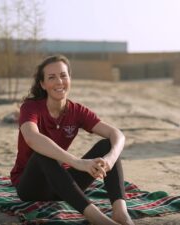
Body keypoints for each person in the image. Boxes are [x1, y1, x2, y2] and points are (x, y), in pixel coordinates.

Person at [10, 55, 134, 225]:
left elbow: (117, 134)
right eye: (51, 77)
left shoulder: (76, 111)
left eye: (63, 75)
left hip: (64, 186)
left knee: (107, 145)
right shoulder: (30, 107)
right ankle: (99, 220)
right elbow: (32, 138)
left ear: (70, 79)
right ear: (42, 84)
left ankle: (120, 213)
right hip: (31, 186)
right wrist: (77, 162)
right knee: (42, 153)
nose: (59, 81)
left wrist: (110, 159)